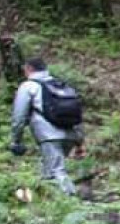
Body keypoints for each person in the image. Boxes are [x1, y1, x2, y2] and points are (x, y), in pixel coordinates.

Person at [9, 57, 82, 196]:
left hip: (48, 135)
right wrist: (79, 141)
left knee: (56, 170)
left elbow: (19, 116)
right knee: (48, 170)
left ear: (29, 69)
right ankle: (50, 203)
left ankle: (72, 201)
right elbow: (77, 114)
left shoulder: (29, 86)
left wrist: (16, 140)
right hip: (70, 134)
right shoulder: (61, 85)